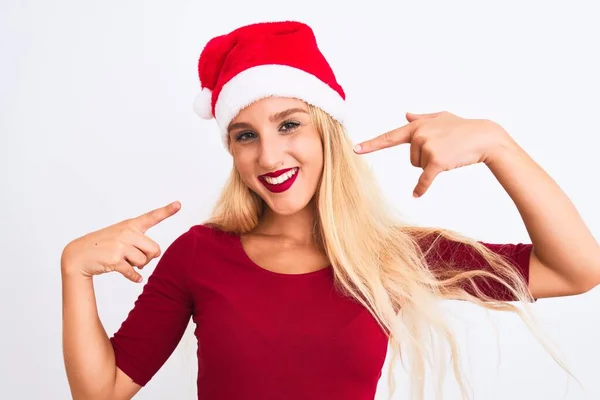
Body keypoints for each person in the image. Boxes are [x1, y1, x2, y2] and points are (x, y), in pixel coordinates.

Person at [60, 20, 600, 400]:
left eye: (289, 124)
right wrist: (74, 270)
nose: (268, 156)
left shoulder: (391, 256)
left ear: (327, 132)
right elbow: (102, 390)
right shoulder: (200, 254)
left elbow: (574, 270)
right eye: (245, 135)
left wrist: (498, 146)